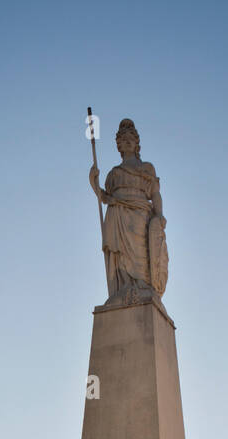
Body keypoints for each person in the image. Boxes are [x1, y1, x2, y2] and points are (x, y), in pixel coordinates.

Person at [89, 119, 168, 302]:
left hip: (140, 213)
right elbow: (105, 197)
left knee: (140, 253)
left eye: (130, 138)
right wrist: (93, 183)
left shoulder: (146, 168)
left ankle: (142, 287)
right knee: (121, 257)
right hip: (117, 215)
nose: (126, 142)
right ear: (118, 145)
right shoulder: (113, 173)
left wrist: (160, 214)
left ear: (136, 143)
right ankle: (123, 289)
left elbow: (155, 193)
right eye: (122, 139)